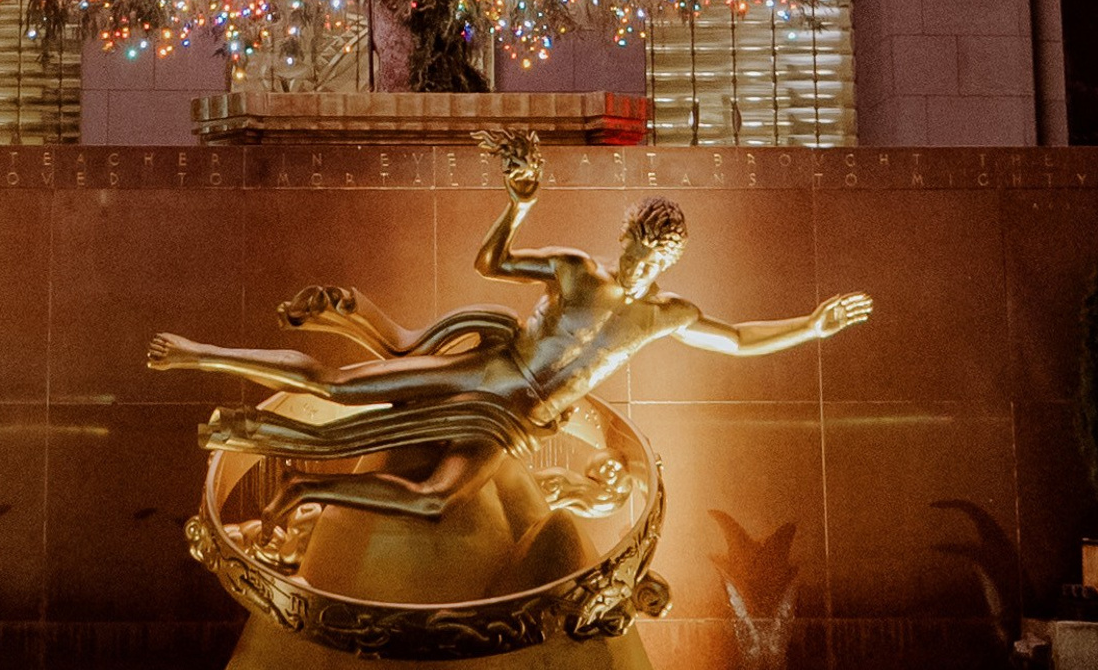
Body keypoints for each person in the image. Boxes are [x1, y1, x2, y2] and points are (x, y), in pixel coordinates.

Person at [148, 131, 871, 526]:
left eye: (658, 255)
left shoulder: (665, 316)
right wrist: (520, 202)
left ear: (672, 259)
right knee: (338, 385)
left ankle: (306, 485)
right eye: (638, 246)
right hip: (493, 373)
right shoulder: (578, 270)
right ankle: (197, 354)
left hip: (521, 421)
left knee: (434, 500)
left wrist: (810, 326)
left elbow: (738, 339)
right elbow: (488, 260)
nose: (643, 261)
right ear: (623, 239)